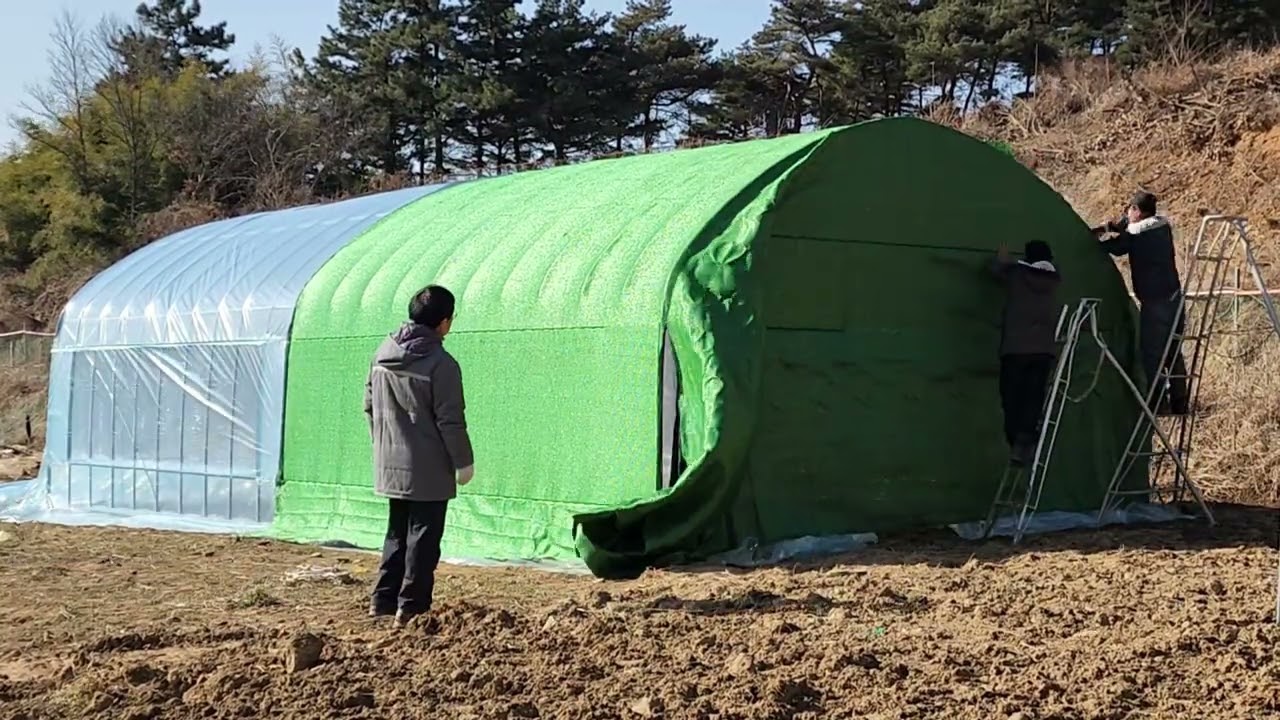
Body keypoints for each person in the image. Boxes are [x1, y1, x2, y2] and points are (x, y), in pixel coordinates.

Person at [364, 284, 475, 626]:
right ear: (443, 322)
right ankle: (411, 607)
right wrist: (464, 461)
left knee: (396, 533)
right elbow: (450, 420)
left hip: (390, 463)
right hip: (427, 467)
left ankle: (383, 600)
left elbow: (369, 406)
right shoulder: (441, 364)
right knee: (423, 539)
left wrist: (383, 444)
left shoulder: (382, 352)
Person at [1092, 191, 1189, 415]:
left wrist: (1102, 232)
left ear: (1137, 211)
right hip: (1175, 300)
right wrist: (1118, 226)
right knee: (1174, 352)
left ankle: (1158, 405)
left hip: (1155, 304)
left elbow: (1114, 247)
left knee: (1152, 355)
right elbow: (1131, 229)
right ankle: (1180, 403)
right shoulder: (1162, 228)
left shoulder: (1136, 234)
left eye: (1129, 209)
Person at [990, 240, 1063, 465]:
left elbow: (993, 270)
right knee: (1033, 397)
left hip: (1016, 349)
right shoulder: (1053, 280)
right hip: (1044, 351)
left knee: (1011, 399)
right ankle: (1026, 443)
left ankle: (1015, 445)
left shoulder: (1017, 275)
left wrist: (1002, 257)